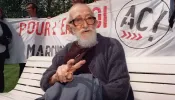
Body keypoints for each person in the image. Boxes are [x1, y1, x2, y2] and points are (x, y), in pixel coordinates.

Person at [40, 3, 134, 100]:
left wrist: (82, 89)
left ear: (96, 23)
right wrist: (56, 77)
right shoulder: (66, 50)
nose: (85, 25)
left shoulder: (111, 46)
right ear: (70, 29)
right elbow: (44, 83)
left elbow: (119, 89)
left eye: (89, 19)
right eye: (78, 20)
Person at [19, 2, 38, 77]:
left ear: (34, 9)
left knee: (35, 69)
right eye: (27, 8)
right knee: (23, 68)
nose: (27, 10)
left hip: (36, 49)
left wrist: (50, 20)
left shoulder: (42, 20)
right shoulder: (24, 21)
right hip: (25, 49)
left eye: (29, 8)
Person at [0, 8, 12, 92]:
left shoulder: (4, 25)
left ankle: (1, 90)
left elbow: (9, 37)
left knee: (0, 72)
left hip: (2, 52)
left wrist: (3, 40)